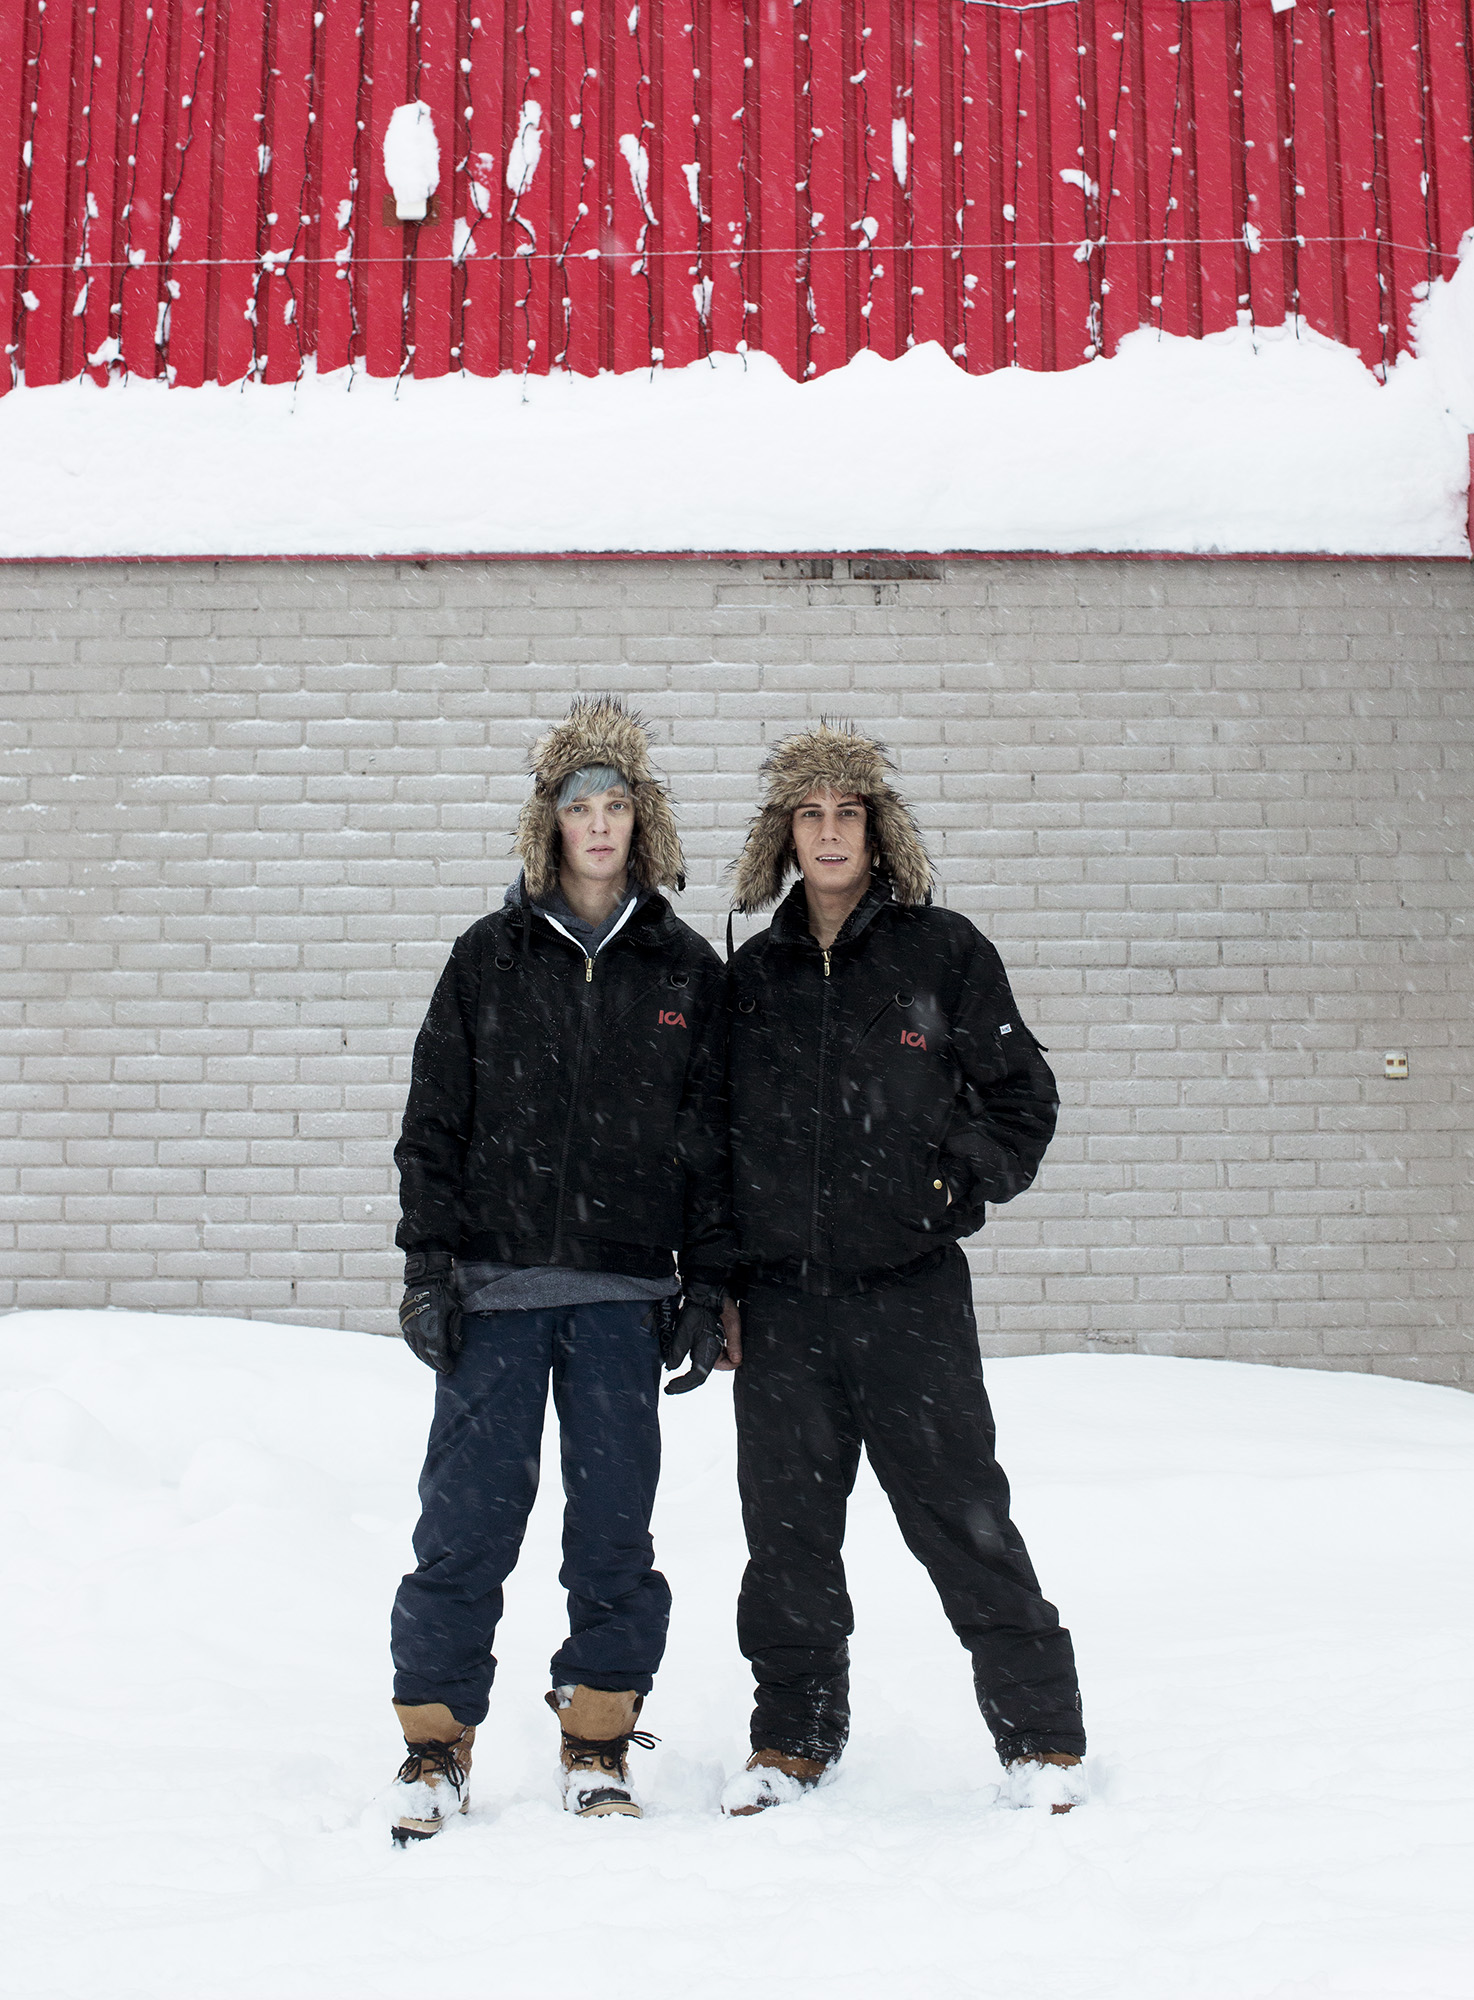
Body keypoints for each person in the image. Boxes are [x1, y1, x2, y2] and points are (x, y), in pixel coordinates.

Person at [719, 721, 1087, 1817]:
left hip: (909, 1294)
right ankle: (794, 1736)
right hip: (782, 1306)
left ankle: (1042, 1740)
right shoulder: (754, 976)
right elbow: (716, 1140)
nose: (830, 832)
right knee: (785, 1538)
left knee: (963, 1517)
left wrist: (945, 1186)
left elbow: (1021, 1099)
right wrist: (721, 1282)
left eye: (849, 813)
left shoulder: (945, 953)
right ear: (785, 836)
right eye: (810, 814)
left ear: (877, 833)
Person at [386, 696, 733, 1840]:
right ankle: (435, 1745)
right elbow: (433, 1123)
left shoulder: (684, 968)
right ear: (551, 822)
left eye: (616, 804)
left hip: (625, 1298)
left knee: (614, 1534)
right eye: (580, 805)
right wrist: (428, 1265)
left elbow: (713, 1146)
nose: (598, 823)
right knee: (464, 1530)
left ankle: (596, 1737)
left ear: (641, 821)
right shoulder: (487, 957)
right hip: (493, 1292)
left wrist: (706, 1283)